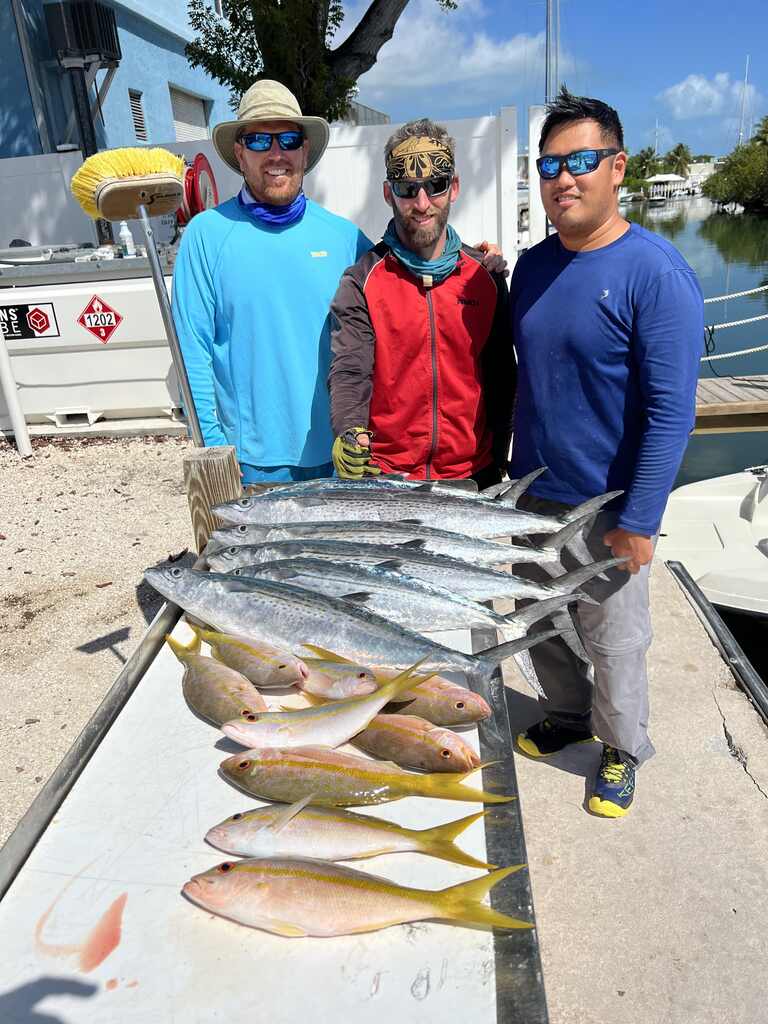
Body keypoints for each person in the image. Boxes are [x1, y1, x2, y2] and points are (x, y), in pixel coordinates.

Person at [509, 87, 703, 817]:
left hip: (608, 507)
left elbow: (672, 412)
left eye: (582, 160)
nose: (564, 178)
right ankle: (565, 714)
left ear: (617, 167)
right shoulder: (530, 269)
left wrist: (642, 520)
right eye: (550, 163)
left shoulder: (655, 273)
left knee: (615, 640)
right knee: (540, 622)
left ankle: (621, 750)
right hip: (531, 495)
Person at [172, 80, 371, 486]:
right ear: (239, 153)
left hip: (341, 459)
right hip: (251, 465)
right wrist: (214, 449)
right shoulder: (207, 235)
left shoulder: (345, 238)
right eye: (260, 140)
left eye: (289, 138)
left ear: (306, 150)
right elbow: (193, 351)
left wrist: (473, 261)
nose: (276, 153)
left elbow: (403, 291)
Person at [328, 119, 516, 486]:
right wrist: (349, 432)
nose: (422, 202)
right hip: (389, 480)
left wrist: (500, 460)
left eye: (436, 185)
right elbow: (351, 370)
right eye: (407, 188)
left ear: (455, 186)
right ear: (388, 193)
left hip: (473, 476)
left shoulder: (485, 277)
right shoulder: (361, 281)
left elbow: (502, 378)